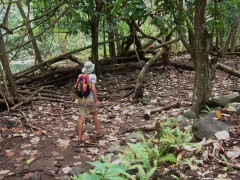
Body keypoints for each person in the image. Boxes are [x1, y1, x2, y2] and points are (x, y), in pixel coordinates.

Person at [76, 61, 103, 142]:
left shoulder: (80, 75)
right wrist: (96, 99)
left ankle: (79, 137)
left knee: (81, 118)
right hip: (89, 99)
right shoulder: (93, 76)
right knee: (94, 114)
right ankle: (98, 132)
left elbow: (77, 87)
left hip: (81, 98)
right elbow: (93, 88)